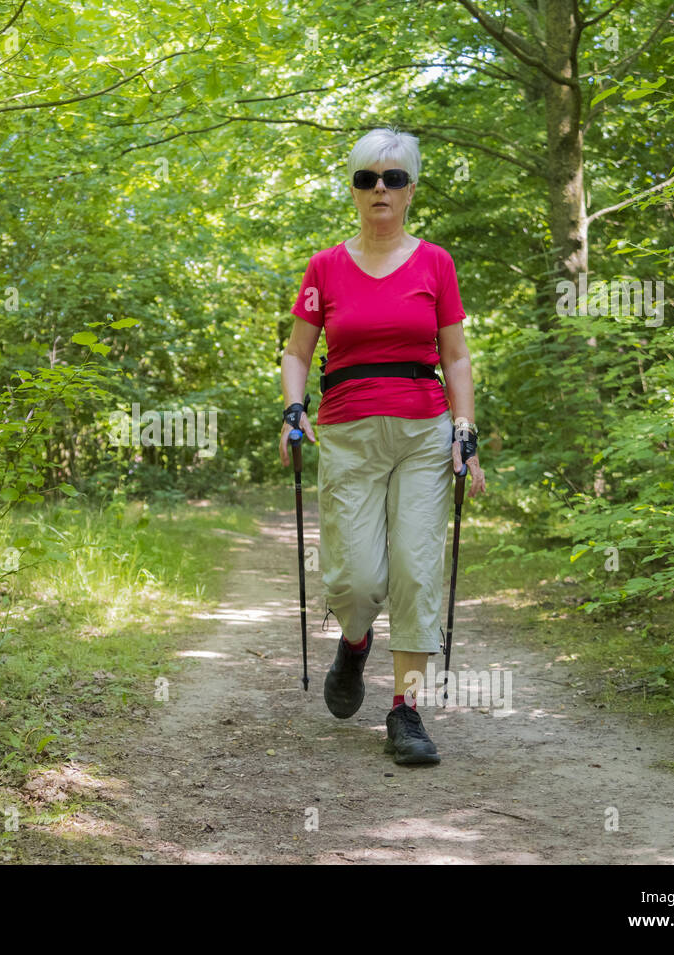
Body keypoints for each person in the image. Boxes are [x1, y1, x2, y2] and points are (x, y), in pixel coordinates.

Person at [279, 127, 486, 765]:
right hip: (347, 432)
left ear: (411, 191)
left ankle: (407, 711)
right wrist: (293, 409)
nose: (380, 189)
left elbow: (455, 357)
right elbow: (296, 351)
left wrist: (465, 431)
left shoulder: (436, 263)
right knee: (356, 577)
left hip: (424, 432)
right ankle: (356, 641)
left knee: (416, 570)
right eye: (367, 177)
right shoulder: (326, 266)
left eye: (393, 179)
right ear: (353, 188)